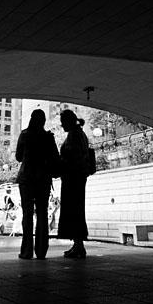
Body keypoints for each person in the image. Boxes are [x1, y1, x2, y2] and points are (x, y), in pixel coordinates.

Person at [14, 108, 59, 259]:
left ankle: (26, 251)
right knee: (42, 213)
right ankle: (41, 251)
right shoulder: (48, 137)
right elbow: (55, 156)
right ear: (44, 121)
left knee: (27, 213)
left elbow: (18, 156)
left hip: (26, 178)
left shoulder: (24, 134)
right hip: (43, 179)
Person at [56, 110, 90, 258]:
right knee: (76, 209)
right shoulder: (79, 133)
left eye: (63, 122)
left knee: (74, 209)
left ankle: (79, 245)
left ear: (68, 121)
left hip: (73, 178)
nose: (62, 125)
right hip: (77, 177)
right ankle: (77, 244)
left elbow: (73, 156)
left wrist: (61, 161)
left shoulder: (74, 135)